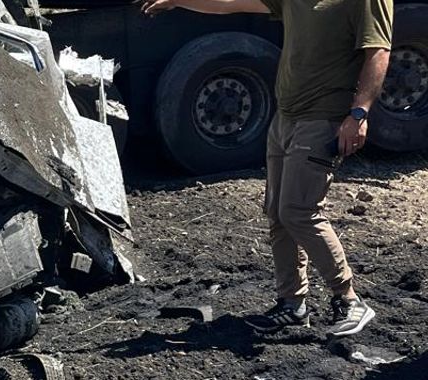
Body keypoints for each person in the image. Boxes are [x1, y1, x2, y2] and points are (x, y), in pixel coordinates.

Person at [143, 0, 390, 337]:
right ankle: (292, 305)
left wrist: (359, 114)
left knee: (299, 211)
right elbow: (231, 3)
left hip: (323, 118)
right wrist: (178, 1)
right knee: (277, 213)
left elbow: (378, 52)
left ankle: (348, 299)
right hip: (285, 117)